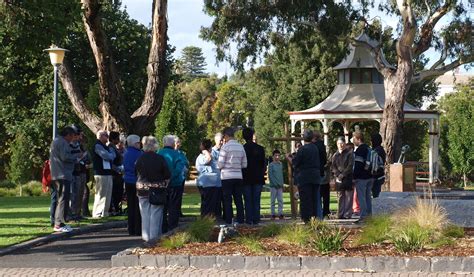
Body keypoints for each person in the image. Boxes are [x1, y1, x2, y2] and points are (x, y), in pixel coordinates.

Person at [135, 136, 171, 246]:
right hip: (157, 189)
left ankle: (146, 238)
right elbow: (167, 174)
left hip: (142, 189)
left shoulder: (140, 159)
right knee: (156, 214)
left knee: (145, 214)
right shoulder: (160, 158)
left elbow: (135, 173)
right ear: (155, 146)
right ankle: (154, 239)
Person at [49, 126, 82, 232]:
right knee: (63, 199)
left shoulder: (57, 141)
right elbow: (65, 157)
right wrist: (76, 158)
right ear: (67, 135)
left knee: (61, 199)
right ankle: (59, 224)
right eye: (72, 136)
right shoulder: (62, 142)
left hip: (58, 174)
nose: (72, 139)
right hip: (62, 174)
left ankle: (59, 222)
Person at [288, 129, 321, 223]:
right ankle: (314, 219)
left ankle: (306, 219)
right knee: (314, 199)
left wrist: (288, 158)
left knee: (305, 200)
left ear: (303, 137)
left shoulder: (303, 149)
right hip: (315, 177)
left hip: (305, 178)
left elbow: (295, 163)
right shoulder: (315, 148)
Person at [217, 127, 247, 225]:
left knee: (227, 200)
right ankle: (241, 220)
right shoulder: (240, 146)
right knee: (238, 199)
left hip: (226, 176)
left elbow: (220, 164)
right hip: (238, 176)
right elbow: (244, 164)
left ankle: (229, 220)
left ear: (226, 136)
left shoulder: (225, 147)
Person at [158, 135, 186, 231]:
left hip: (161, 184)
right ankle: (173, 228)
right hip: (175, 183)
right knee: (174, 207)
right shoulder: (177, 154)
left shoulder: (158, 153)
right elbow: (179, 168)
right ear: (173, 143)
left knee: (163, 207)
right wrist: (171, 177)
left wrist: (164, 178)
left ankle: (163, 227)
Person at [242, 128, 266, 225]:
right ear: (252, 136)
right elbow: (263, 165)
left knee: (247, 200)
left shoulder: (243, 149)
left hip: (246, 177)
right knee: (256, 200)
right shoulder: (260, 149)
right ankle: (256, 219)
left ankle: (249, 219)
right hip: (258, 177)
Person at [92, 130, 116, 218]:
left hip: (107, 172)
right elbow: (107, 156)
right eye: (106, 135)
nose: (107, 137)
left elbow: (112, 156)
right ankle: (97, 213)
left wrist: (111, 154)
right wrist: (111, 154)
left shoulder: (106, 147)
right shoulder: (98, 145)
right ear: (101, 136)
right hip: (100, 173)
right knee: (101, 193)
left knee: (108, 193)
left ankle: (105, 212)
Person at [196, 139, 221, 217]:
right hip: (207, 184)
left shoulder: (211, 156)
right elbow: (208, 160)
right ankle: (206, 221)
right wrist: (205, 151)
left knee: (213, 205)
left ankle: (212, 219)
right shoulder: (203, 157)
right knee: (207, 205)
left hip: (214, 183)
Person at [123, 134, 143, 236]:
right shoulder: (139, 154)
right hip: (137, 181)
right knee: (138, 206)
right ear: (135, 143)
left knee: (130, 205)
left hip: (127, 180)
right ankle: (137, 228)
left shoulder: (126, 153)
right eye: (139, 143)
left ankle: (131, 228)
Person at [331, 137, 354, 219]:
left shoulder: (349, 154)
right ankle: (340, 213)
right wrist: (338, 174)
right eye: (338, 143)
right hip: (339, 179)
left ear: (345, 144)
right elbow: (333, 166)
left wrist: (343, 174)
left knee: (348, 197)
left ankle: (347, 214)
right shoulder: (335, 155)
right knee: (340, 196)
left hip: (347, 178)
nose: (340, 145)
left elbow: (350, 166)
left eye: (342, 143)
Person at [70, 125, 90, 220]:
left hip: (80, 170)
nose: (79, 136)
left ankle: (77, 213)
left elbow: (86, 155)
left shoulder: (79, 144)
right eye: (78, 133)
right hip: (73, 171)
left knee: (80, 193)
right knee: (74, 193)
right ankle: (73, 213)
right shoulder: (70, 144)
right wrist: (80, 157)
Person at [352, 132, 373, 219]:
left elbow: (358, 165)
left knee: (361, 197)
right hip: (370, 176)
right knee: (368, 197)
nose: (353, 140)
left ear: (359, 139)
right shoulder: (369, 148)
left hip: (361, 177)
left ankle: (363, 216)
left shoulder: (360, 150)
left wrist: (354, 176)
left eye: (354, 139)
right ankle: (369, 215)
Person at [312, 131, 329, 218]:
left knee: (316, 195)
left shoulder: (315, 147)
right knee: (323, 194)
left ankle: (318, 215)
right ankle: (323, 213)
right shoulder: (322, 146)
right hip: (321, 172)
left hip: (315, 173)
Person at [109, 131, 125, 216]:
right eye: (117, 139)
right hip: (114, 173)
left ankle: (116, 207)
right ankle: (114, 208)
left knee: (119, 192)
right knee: (115, 192)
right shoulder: (111, 148)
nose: (118, 140)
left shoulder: (114, 147)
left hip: (118, 173)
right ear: (113, 139)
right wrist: (118, 169)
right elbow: (111, 162)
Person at [174, 136, 189, 217]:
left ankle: (178, 211)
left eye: (179, 142)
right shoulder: (171, 152)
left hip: (181, 177)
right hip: (173, 177)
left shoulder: (182, 153)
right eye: (177, 142)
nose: (179, 144)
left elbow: (186, 162)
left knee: (179, 195)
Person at [268, 149, 284, 220]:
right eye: (276, 155)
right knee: (273, 200)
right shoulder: (271, 165)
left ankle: (280, 213)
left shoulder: (280, 164)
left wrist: (281, 184)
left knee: (280, 200)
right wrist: (275, 184)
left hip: (280, 186)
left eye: (278, 155)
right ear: (273, 156)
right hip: (273, 186)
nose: (277, 157)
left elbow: (281, 175)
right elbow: (270, 176)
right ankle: (273, 214)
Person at [211, 132, 224, 219]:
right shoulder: (212, 152)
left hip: (224, 179)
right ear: (216, 140)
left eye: (222, 140)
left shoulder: (224, 150)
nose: (222, 142)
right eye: (220, 140)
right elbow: (214, 165)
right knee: (215, 200)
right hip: (215, 180)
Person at [371, 133, 386, 198]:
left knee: (376, 195)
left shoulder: (376, 151)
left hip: (376, 176)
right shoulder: (381, 150)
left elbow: (374, 164)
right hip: (380, 175)